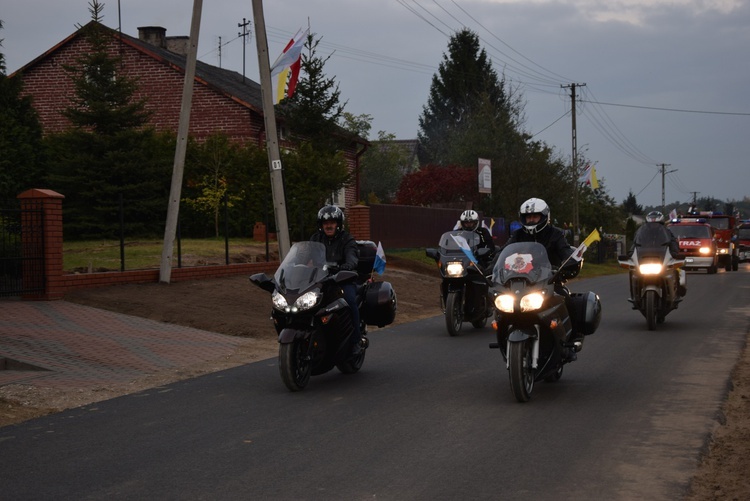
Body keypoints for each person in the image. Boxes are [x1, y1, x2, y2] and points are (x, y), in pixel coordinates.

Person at [504, 197, 580, 360]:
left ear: (544, 217)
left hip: (550, 280)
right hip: (522, 281)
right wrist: (488, 267)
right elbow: (503, 253)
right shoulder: (518, 235)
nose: (531, 220)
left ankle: (571, 341)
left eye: (535, 216)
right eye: (528, 217)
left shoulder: (555, 234)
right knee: (502, 301)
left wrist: (570, 261)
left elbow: (565, 251)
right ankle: (505, 333)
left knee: (567, 298)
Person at [310, 205, 363, 357]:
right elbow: (305, 255)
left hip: (342, 279)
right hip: (320, 280)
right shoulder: (315, 239)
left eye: (332, 222)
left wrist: (347, 265)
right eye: (325, 223)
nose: (329, 225)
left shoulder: (347, 239)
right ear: (321, 225)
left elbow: (352, 257)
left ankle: (356, 341)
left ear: (338, 224)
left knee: (349, 301)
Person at [631, 210, 686, 297]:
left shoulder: (666, 232)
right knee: (634, 272)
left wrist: (674, 253)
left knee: (675, 269)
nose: (654, 226)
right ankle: (635, 295)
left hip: (662, 256)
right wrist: (631, 254)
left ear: (661, 223)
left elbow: (673, 242)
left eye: (656, 224)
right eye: (651, 224)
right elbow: (635, 243)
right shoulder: (641, 233)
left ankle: (677, 290)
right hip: (644, 257)